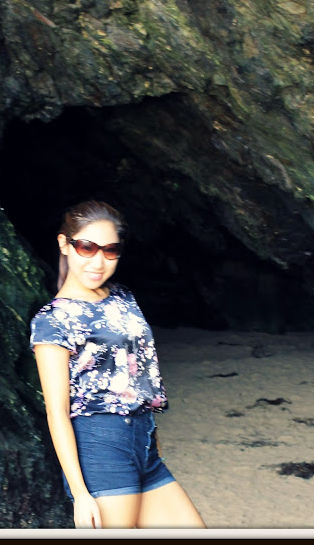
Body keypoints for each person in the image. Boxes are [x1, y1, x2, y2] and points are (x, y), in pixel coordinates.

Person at [30, 200, 206, 529]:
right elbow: (57, 412)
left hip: (143, 445)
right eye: (87, 247)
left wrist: (150, 443)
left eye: (110, 251)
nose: (98, 261)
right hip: (100, 449)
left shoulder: (122, 297)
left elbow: (137, 376)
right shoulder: (53, 321)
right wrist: (81, 493)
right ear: (64, 245)